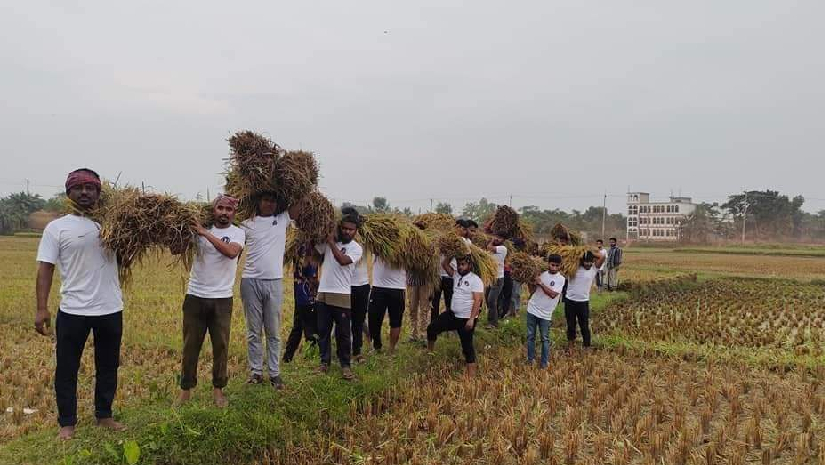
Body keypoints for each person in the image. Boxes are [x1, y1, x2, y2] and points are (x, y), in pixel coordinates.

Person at [35, 168, 126, 440]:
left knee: (108, 365)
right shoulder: (57, 227)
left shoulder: (113, 224)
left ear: (99, 193)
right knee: (66, 367)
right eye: (79, 188)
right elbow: (45, 269)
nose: (85, 192)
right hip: (73, 310)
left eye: (91, 188)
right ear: (69, 193)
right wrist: (41, 308)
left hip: (110, 308)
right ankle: (67, 423)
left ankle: (104, 415)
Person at [177, 194, 245, 407]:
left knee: (221, 346)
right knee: (190, 346)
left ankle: (218, 390)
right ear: (213, 209)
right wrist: (177, 232)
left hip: (222, 299)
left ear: (234, 213)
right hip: (195, 296)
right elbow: (176, 249)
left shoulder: (238, 233)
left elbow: (231, 253)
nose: (224, 213)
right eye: (220, 208)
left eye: (228, 209)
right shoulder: (197, 229)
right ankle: (185, 391)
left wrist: (204, 233)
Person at [239, 192, 301, 389]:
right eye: (265, 200)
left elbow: (298, 204)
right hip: (250, 281)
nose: (269, 204)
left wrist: (299, 185)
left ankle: (275, 373)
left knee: (273, 331)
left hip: (274, 282)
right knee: (253, 331)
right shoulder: (246, 224)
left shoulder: (281, 219)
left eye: (273, 201)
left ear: (277, 204)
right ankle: (256, 372)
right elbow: (234, 249)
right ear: (258, 201)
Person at [315, 214, 363, 380]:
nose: (347, 231)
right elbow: (315, 251)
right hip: (323, 293)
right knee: (323, 331)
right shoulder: (329, 243)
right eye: (344, 228)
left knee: (343, 334)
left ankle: (345, 366)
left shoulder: (356, 248)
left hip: (341, 294)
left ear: (356, 231)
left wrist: (331, 243)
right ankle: (324, 362)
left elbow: (342, 260)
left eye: (351, 229)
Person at [426, 255, 483, 377]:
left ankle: (471, 377)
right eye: (459, 264)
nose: (460, 267)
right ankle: (429, 354)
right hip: (453, 315)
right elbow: (444, 265)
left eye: (463, 265)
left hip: (466, 319)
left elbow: (478, 301)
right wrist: (451, 252)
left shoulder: (475, 280)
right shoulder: (456, 275)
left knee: (467, 347)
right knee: (431, 328)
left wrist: (471, 319)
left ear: (469, 265)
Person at [526, 254, 565, 368]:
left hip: (546, 314)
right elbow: (532, 290)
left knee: (545, 338)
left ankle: (544, 363)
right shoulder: (541, 274)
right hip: (532, 308)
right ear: (548, 263)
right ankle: (530, 360)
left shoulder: (561, 279)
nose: (554, 268)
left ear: (560, 266)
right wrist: (532, 282)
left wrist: (541, 284)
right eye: (552, 265)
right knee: (530, 336)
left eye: (557, 266)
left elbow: (553, 294)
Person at [283, 242, 320, 363]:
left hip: (309, 290)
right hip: (303, 290)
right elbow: (305, 266)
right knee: (306, 325)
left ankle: (289, 356)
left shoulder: (316, 245)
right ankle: (293, 356)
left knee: (301, 324)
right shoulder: (299, 246)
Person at [344, 207, 371, 363]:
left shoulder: (366, 236)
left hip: (361, 284)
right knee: (343, 320)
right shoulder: (342, 237)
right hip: (344, 285)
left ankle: (357, 351)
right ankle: (346, 350)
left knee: (358, 320)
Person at [564, 250, 605, 351]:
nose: (588, 264)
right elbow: (568, 256)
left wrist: (586, 250)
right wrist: (579, 253)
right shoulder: (572, 268)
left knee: (584, 325)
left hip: (583, 302)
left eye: (590, 261)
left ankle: (586, 346)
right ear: (582, 261)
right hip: (570, 301)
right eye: (586, 261)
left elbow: (602, 256)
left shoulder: (593, 269)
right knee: (571, 325)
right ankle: (570, 347)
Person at [368, 257, 407, 352]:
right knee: (373, 319)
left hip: (397, 287)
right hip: (379, 286)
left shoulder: (406, 244)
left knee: (396, 321)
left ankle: (392, 349)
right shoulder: (377, 243)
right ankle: (377, 347)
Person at [484, 235, 508, 328]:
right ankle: (494, 318)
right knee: (488, 299)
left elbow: (489, 248)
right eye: (496, 236)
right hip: (490, 277)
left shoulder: (503, 248)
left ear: (504, 240)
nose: (497, 239)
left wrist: (491, 240)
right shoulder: (493, 248)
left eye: (500, 237)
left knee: (491, 300)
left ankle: (493, 323)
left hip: (498, 278)